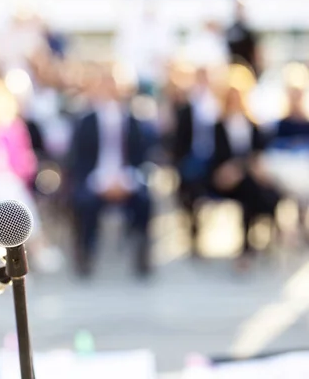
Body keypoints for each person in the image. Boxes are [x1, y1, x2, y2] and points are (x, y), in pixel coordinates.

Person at [68, 68, 156, 278]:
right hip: (95, 178)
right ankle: (86, 252)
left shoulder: (133, 119)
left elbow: (141, 156)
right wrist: (102, 181)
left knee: (145, 200)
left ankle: (142, 250)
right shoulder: (86, 121)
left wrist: (124, 179)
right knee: (84, 203)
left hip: (126, 177)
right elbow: (78, 159)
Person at [209, 64, 279, 270]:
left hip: (249, 177)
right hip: (225, 179)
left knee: (260, 190)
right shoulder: (218, 126)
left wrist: (247, 167)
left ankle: (252, 243)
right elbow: (217, 157)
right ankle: (247, 246)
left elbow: (259, 153)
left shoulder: (253, 124)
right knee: (251, 190)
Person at [173, 66, 221, 255]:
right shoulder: (187, 107)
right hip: (193, 158)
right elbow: (179, 139)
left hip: (214, 159)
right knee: (188, 189)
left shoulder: (217, 105)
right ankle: (194, 231)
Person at [226, 1, 260, 77]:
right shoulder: (230, 29)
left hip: (248, 69)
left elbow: (255, 51)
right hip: (234, 69)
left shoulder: (250, 29)